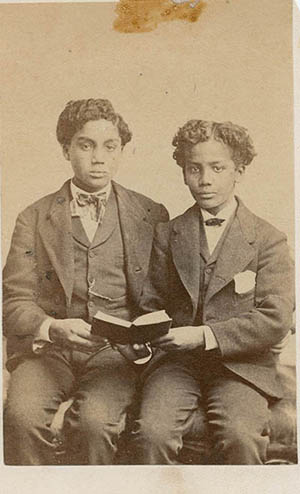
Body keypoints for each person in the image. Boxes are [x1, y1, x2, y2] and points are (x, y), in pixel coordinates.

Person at [3, 98, 169, 465]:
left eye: (110, 147)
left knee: (95, 425)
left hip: (115, 355)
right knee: (21, 418)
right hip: (50, 352)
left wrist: (142, 337)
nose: (99, 158)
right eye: (86, 145)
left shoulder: (151, 214)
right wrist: (51, 326)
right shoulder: (33, 217)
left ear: (122, 151)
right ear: (66, 149)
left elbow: (162, 299)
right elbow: (13, 302)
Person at [133, 119, 294, 464]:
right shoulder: (168, 233)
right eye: (195, 169)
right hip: (177, 366)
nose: (205, 180)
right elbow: (152, 303)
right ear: (184, 173)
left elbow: (275, 319)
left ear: (240, 170)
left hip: (242, 366)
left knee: (241, 435)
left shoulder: (268, 239)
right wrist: (145, 333)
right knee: (152, 432)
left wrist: (204, 335)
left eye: (217, 168)